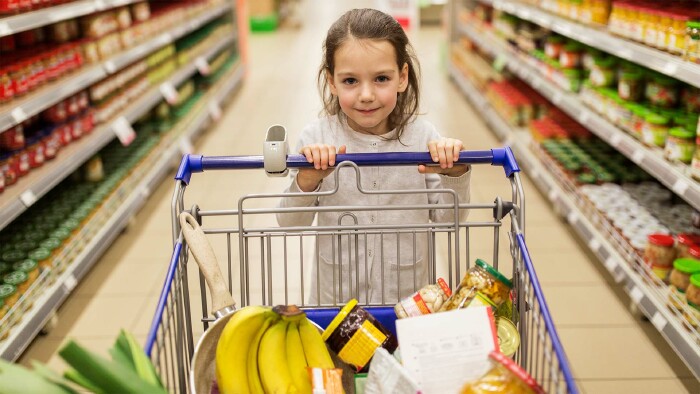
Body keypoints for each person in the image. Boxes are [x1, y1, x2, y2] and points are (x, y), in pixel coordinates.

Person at [277, 8, 471, 305]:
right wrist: (308, 178)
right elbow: (289, 221)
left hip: (405, 302)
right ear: (331, 82)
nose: (366, 94)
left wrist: (454, 173)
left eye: (381, 78)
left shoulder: (422, 138)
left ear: (402, 77)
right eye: (350, 81)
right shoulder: (317, 140)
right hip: (336, 304)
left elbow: (448, 219)